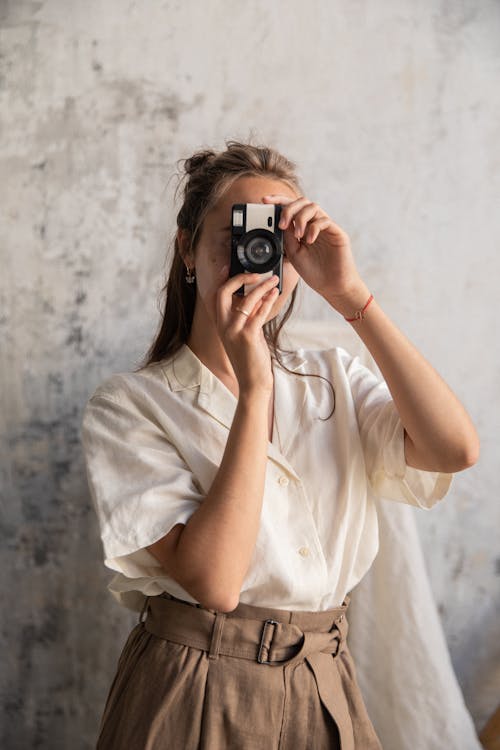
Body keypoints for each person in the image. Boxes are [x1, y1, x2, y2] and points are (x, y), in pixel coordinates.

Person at [81, 140, 479, 749]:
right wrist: (255, 389)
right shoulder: (129, 406)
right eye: (242, 231)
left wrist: (351, 295)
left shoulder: (333, 378)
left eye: (281, 238)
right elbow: (214, 584)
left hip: (323, 678)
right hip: (194, 682)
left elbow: (455, 449)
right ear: (187, 247)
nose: (259, 254)